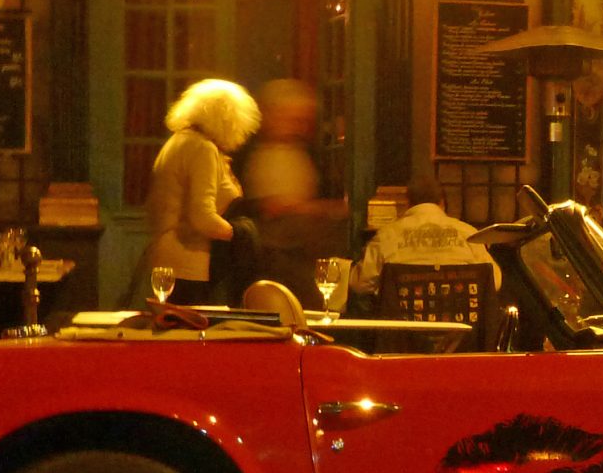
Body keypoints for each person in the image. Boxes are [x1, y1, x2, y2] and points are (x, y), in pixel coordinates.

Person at [137, 78, 261, 306]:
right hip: (189, 263)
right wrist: (239, 233)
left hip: (166, 260)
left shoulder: (178, 142)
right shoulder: (202, 148)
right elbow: (201, 218)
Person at [241, 78, 346, 304]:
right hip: (280, 258)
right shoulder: (264, 155)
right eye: (295, 118)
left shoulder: (302, 151)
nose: (301, 126)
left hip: (302, 256)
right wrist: (320, 210)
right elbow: (273, 207)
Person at [352, 174, 498, 297]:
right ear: (442, 203)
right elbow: (495, 281)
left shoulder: (387, 236)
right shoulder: (468, 234)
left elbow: (360, 284)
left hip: (401, 326)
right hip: (460, 325)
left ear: (408, 203)